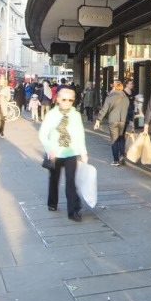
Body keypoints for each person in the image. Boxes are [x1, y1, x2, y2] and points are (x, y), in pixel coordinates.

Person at [39, 87, 88, 222]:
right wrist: (49, 149)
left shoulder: (76, 115)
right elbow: (43, 134)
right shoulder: (51, 115)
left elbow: (79, 134)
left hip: (71, 152)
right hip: (55, 153)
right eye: (64, 99)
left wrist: (83, 151)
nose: (67, 102)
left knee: (71, 182)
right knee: (54, 179)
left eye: (70, 100)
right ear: (58, 100)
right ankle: (52, 203)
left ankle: (73, 211)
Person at [94, 80, 131, 166]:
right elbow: (129, 110)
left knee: (114, 140)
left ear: (114, 87)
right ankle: (122, 155)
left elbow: (104, 110)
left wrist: (98, 120)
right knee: (121, 138)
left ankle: (116, 160)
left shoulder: (109, 97)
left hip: (113, 120)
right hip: (123, 121)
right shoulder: (126, 98)